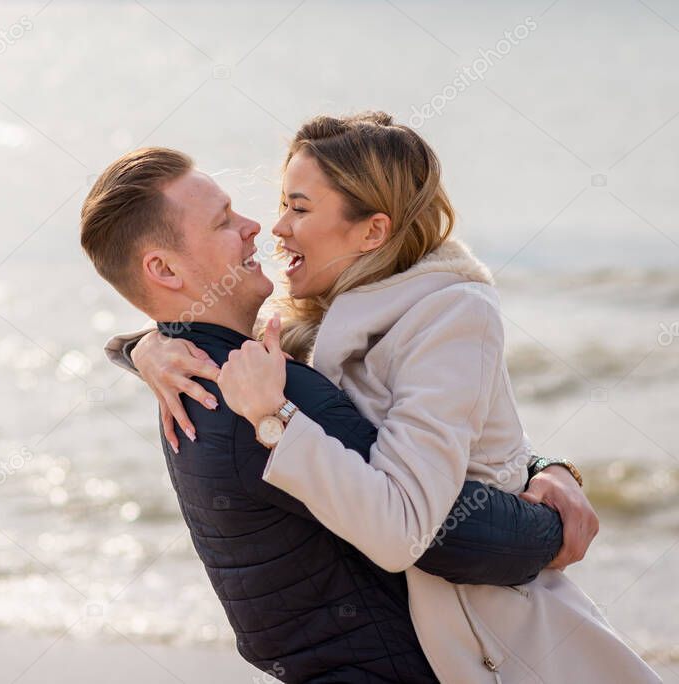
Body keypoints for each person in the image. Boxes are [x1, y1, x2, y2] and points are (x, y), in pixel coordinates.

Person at [113, 114, 660, 683]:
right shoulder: (313, 322)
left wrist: (274, 419)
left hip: (506, 650)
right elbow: (215, 336)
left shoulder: (448, 315)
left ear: (372, 232)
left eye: (299, 209)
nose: (275, 227)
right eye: (283, 204)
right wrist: (148, 346)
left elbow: (408, 526)